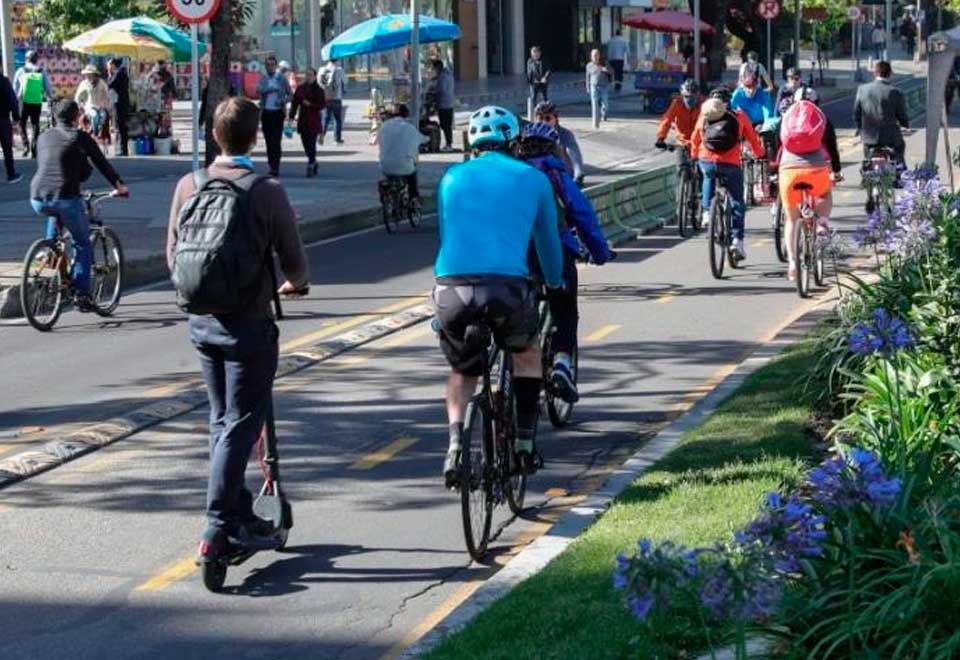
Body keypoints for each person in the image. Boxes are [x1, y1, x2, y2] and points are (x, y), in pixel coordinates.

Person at [166, 97, 310, 558]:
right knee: (242, 423)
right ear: (257, 137)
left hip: (202, 321)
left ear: (213, 136)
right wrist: (294, 285)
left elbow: (173, 253)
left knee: (222, 420)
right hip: (249, 324)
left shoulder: (189, 184)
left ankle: (240, 509)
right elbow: (294, 260)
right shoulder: (265, 189)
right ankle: (217, 521)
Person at [434, 105, 563, 485]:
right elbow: (547, 243)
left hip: (451, 289)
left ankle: (456, 443)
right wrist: (553, 283)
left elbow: (447, 238)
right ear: (513, 140)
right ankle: (523, 442)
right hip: (505, 287)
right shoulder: (532, 178)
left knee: (461, 370)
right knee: (525, 354)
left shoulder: (450, 177)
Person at [516, 122, 614, 402]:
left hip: (514, 256)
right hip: (556, 252)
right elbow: (582, 215)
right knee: (565, 310)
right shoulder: (556, 174)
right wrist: (600, 252)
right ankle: (561, 364)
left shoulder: (512, 175)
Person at [31, 100, 128, 311]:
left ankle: (49, 250)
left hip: (37, 196)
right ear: (77, 118)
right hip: (66, 197)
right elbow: (101, 163)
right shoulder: (80, 137)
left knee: (54, 211)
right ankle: (82, 295)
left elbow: (48, 161)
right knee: (82, 243)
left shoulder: (43, 136)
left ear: (55, 117)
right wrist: (119, 185)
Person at [690, 89, 765, 262]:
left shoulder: (705, 115)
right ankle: (737, 240)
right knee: (737, 200)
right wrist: (759, 154)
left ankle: (707, 212)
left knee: (708, 177)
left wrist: (694, 154)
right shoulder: (739, 116)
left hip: (706, 160)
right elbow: (753, 139)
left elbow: (695, 138)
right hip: (730, 163)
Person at [776, 87, 839, 281]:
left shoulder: (786, 116)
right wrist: (836, 169)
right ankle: (821, 223)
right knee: (824, 194)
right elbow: (831, 145)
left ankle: (793, 263)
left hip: (788, 171)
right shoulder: (821, 117)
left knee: (791, 219)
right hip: (816, 169)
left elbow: (777, 144)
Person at [853, 60, 908, 166]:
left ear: (875, 73)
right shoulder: (896, 92)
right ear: (890, 74)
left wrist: (860, 129)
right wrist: (905, 125)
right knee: (899, 154)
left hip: (869, 137)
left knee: (868, 159)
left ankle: (868, 172)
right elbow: (902, 116)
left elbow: (856, 113)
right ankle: (900, 175)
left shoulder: (862, 89)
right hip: (891, 137)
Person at [378, 103, 427, 203]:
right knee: (412, 175)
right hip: (404, 166)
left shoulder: (383, 127)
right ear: (405, 114)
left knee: (388, 176)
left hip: (385, 165)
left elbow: (377, 141)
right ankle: (414, 198)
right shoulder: (409, 127)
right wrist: (428, 139)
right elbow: (422, 139)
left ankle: (388, 197)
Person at [13, 50, 53, 158]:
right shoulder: (41, 71)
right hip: (36, 101)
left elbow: (15, 88)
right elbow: (48, 87)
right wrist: (51, 98)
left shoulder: (21, 70)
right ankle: (34, 149)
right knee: (36, 124)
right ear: (36, 59)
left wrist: (14, 100)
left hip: (23, 101)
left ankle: (26, 146)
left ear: (26, 59)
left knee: (22, 124)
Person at [535, 101, 584, 185]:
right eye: (540, 118)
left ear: (555, 119)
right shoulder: (532, 135)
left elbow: (573, 152)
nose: (543, 122)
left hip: (564, 179)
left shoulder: (565, 134)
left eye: (547, 118)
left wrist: (578, 173)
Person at [289, 66, 325, 177]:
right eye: (307, 75)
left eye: (310, 75)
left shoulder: (319, 90)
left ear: (315, 76)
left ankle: (310, 164)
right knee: (305, 143)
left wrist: (311, 105)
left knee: (311, 143)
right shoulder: (300, 88)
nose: (308, 77)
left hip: (313, 120)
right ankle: (313, 160)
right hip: (303, 120)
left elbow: (322, 105)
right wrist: (291, 116)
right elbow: (295, 103)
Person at [655, 80, 703, 159]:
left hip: (699, 142)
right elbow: (667, 120)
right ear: (682, 95)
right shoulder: (677, 103)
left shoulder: (704, 103)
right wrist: (661, 138)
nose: (689, 100)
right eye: (686, 97)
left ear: (698, 96)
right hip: (682, 142)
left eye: (693, 97)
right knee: (682, 167)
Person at [75, 65, 111, 143]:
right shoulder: (83, 84)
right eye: (87, 74)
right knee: (95, 116)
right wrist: (80, 106)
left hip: (100, 106)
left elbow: (107, 94)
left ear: (94, 74)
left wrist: (106, 104)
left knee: (103, 116)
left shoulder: (101, 83)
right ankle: (95, 133)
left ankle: (101, 133)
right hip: (89, 107)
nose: (88, 76)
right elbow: (77, 97)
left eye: (90, 74)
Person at [429, 60, 456, 152]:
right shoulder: (448, 74)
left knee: (445, 125)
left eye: (434, 68)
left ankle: (449, 144)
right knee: (447, 125)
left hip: (444, 104)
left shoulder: (442, 77)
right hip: (449, 103)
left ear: (438, 67)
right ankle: (449, 143)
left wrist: (434, 96)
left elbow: (441, 91)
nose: (434, 70)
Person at [0, 68, 21, 183]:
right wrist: (16, 116)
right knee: (7, 148)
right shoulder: (3, 81)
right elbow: (12, 100)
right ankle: (11, 174)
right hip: (3, 119)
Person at [107, 58, 130, 157]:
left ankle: (122, 149)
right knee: (120, 126)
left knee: (120, 126)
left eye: (108, 65)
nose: (107, 67)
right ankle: (121, 148)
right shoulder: (121, 73)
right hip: (121, 103)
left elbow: (109, 84)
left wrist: (109, 74)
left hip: (120, 103)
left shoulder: (119, 74)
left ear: (113, 65)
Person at [320, 59, 345, 145]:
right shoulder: (339, 70)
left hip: (326, 98)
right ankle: (337, 139)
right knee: (337, 119)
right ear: (337, 61)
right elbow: (345, 81)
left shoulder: (322, 69)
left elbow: (320, 84)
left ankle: (321, 136)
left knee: (325, 118)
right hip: (336, 98)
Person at [586, 49, 613, 127]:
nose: (595, 57)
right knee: (594, 104)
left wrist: (606, 70)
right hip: (593, 86)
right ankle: (595, 123)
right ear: (591, 57)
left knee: (606, 104)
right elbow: (587, 77)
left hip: (604, 86)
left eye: (597, 55)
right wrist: (587, 87)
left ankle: (604, 113)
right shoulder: (589, 65)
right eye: (594, 55)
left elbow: (612, 72)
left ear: (599, 56)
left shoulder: (604, 63)